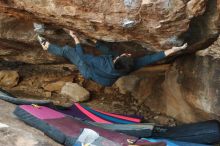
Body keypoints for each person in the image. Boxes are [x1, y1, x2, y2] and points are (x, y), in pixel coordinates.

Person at [37, 30, 187, 86]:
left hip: (89, 72)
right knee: (109, 50)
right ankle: (97, 43)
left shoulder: (101, 62)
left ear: (116, 60)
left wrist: (75, 37)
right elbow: (151, 58)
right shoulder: (130, 66)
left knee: (69, 51)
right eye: (127, 55)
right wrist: (173, 50)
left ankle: (48, 46)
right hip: (106, 79)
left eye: (125, 55)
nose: (128, 54)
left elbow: (82, 55)